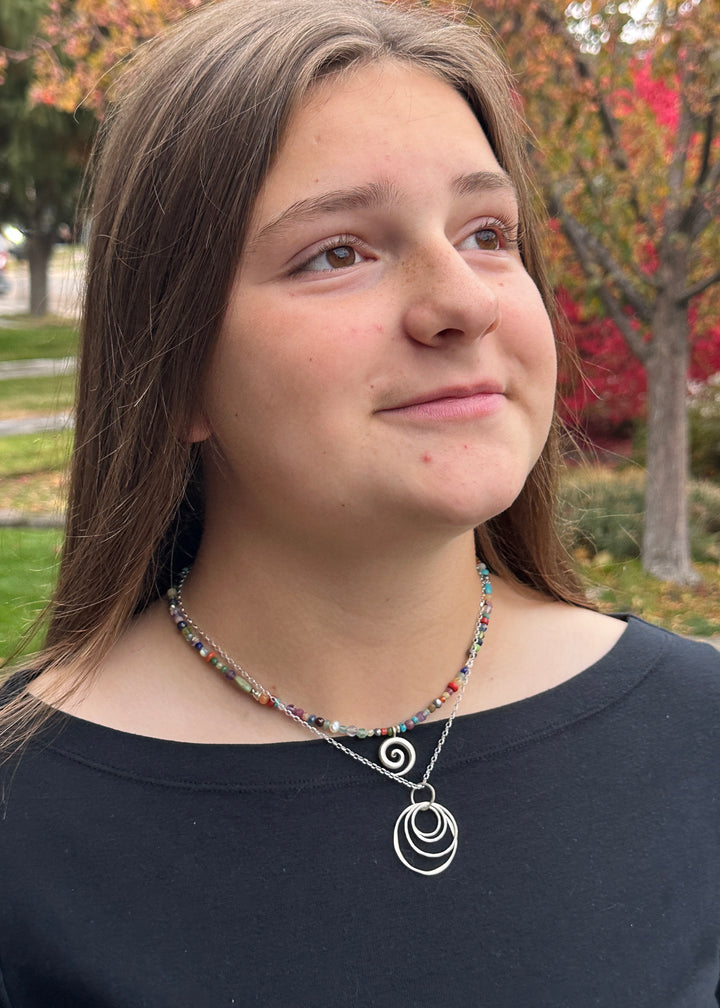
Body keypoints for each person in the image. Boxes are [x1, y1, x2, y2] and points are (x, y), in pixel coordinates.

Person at [1, 0, 718, 1004]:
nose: (463, 300)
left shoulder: (701, 734)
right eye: (337, 252)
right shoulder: (23, 817)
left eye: (486, 231)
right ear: (176, 373)